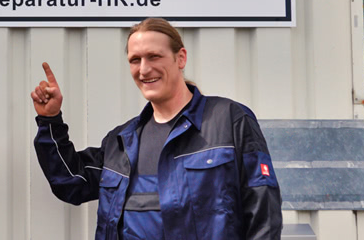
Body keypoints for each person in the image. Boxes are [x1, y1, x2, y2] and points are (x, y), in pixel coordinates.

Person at [31, 18, 282, 240]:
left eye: (154, 56)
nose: (144, 69)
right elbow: (71, 182)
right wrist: (50, 120)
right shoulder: (121, 142)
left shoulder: (228, 121)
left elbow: (264, 214)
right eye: (135, 60)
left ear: (180, 58)